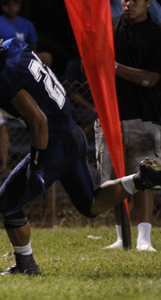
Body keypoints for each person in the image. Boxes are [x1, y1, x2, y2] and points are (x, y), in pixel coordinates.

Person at [0, 15, 161, 276]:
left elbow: (38, 121)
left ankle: (26, 266)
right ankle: (140, 179)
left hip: (53, 141)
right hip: (70, 133)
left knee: (6, 202)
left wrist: (38, 164)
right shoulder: (14, 46)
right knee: (91, 206)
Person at [96, 0, 161, 252]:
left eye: (136, 0)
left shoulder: (156, 34)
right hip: (110, 115)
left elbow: (151, 78)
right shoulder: (109, 28)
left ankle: (144, 239)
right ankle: (122, 237)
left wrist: (112, 67)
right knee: (114, 180)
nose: (129, 4)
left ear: (148, 3)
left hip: (143, 116)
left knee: (144, 177)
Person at [0, 0, 52, 67]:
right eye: (7, 3)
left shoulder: (27, 24)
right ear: (2, 5)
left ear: (19, 5)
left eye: (15, 3)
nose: (11, 7)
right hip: (4, 56)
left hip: (23, 56)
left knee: (46, 57)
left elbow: (33, 48)